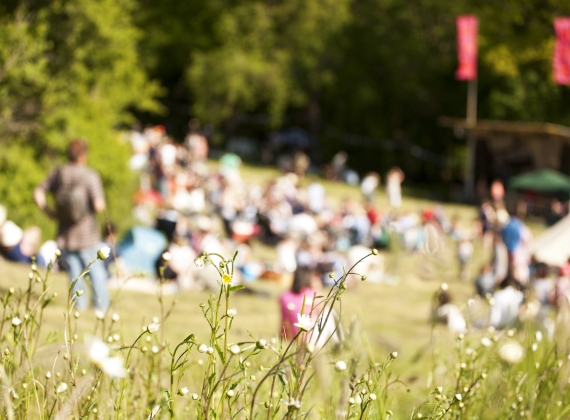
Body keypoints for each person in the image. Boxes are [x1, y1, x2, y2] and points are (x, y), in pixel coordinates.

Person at [34, 139, 109, 311]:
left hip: (65, 233)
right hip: (86, 235)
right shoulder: (90, 175)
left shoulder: (58, 172)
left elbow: (38, 192)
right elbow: (98, 205)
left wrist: (49, 213)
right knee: (96, 272)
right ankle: (101, 308)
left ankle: (78, 307)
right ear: (84, 155)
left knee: (74, 273)